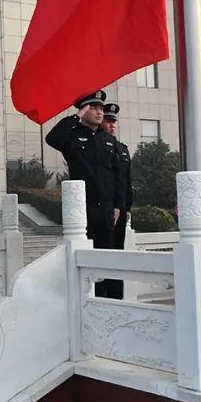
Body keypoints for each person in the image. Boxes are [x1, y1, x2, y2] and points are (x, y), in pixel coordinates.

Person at [45, 90, 123, 298]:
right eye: (94, 108)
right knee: (85, 258)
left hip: (106, 209)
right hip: (83, 209)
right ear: (84, 109)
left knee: (107, 258)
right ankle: (84, 300)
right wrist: (75, 117)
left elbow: (117, 175)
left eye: (101, 108)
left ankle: (105, 300)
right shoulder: (71, 136)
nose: (99, 112)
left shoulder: (108, 139)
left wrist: (117, 205)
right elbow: (52, 138)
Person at [100, 103, 132, 300]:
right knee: (106, 254)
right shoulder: (99, 146)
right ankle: (104, 297)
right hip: (106, 209)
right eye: (108, 121)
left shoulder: (122, 149)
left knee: (119, 255)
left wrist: (127, 206)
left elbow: (126, 182)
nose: (112, 125)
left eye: (114, 122)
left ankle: (117, 298)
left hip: (121, 210)